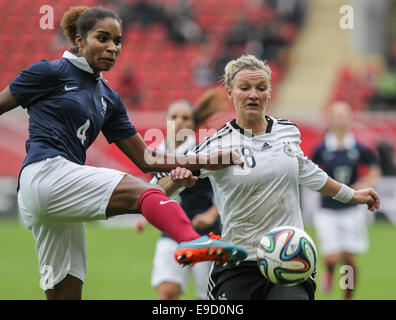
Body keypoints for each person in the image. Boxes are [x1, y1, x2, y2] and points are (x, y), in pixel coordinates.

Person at [0, 6, 247, 300]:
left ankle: (191, 242)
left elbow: (147, 159)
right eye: (102, 38)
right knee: (144, 193)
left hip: (57, 196)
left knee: (66, 292)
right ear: (79, 40)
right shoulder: (49, 71)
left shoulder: (108, 97)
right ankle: (192, 242)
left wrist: (201, 162)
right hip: (43, 173)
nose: (111, 47)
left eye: (117, 41)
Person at [160, 55, 380, 300]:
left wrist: (351, 194)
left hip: (289, 256)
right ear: (230, 92)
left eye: (261, 88)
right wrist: (176, 180)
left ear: (269, 92)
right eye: (245, 88)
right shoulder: (216, 144)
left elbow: (308, 172)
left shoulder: (288, 131)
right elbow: (159, 189)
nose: (253, 94)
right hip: (238, 261)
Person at [135, 99, 221, 300]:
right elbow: (156, 193)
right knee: (166, 293)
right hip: (170, 232)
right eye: (174, 117)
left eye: (185, 118)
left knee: (208, 297)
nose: (179, 122)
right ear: (165, 121)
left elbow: (225, 191)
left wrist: (211, 214)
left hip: (203, 233)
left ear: (194, 125)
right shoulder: (154, 154)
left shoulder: (204, 153)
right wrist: (145, 217)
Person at [311, 101, 381, 300]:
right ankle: (330, 271)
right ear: (330, 119)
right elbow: (310, 170)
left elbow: (374, 168)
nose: (340, 119)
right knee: (332, 256)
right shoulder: (322, 148)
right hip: (327, 211)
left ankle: (347, 296)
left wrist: (364, 183)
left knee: (349, 259)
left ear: (350, 118)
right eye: (337, 115)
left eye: (344, 114)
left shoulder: (358, 147)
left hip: (351, 210)